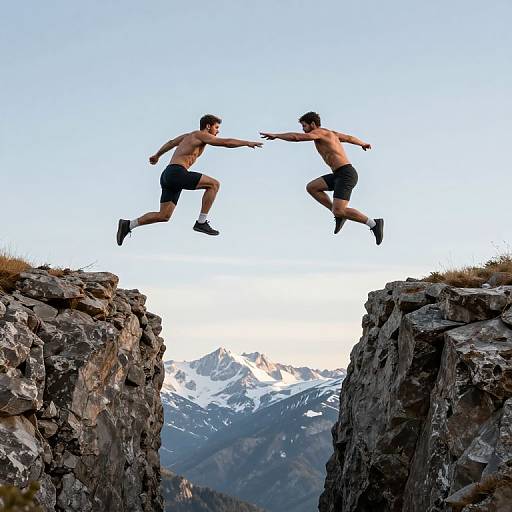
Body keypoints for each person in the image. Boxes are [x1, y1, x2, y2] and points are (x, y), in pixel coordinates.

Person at [116, 114, 262, 245]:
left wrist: (157, 155)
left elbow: (171, 142)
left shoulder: (187, 136)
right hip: (177, 172)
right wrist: (246, 143)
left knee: (164, 215)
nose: (218, 131)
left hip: (168, 175)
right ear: (208, 126)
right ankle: (201, 222)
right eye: (216, 127)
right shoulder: (200, 135)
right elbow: (226, 142)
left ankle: (128, 224)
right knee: (214, 185)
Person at [260, 111, 383, 245]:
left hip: (346, 174)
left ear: (313, 124)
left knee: (340, 210)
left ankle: (374, 223)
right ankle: (338, 215)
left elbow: (296, 137)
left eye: (304, 126)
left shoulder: (320, 133)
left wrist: (277, 136)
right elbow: (348, 138)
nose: (303, 130)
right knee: (312, 187)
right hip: (337, 174)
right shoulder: (331, 134)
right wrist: (362, 143)